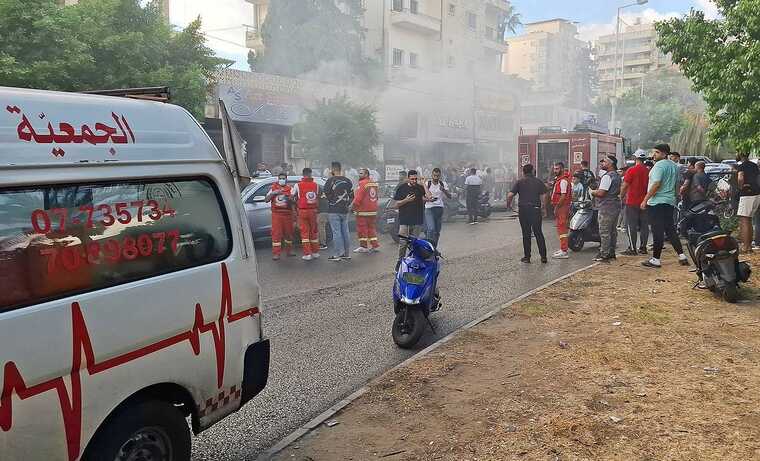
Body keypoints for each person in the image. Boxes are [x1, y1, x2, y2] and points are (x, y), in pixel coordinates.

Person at [641, 144, 689, 268]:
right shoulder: (674, 166)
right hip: (669, 201)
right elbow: (677, 184)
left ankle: (656, 259)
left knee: (657, 230)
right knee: (670, 229)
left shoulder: (658, 166)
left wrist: (645, 200)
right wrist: (676, 196)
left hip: (657, 202)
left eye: (656, 152)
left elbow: (656, 184)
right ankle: (682, 255)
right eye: (653, 152)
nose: (653, 155)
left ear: (664, 154)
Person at [507, 164, 548, 264]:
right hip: (535, 209)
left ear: (523, 172)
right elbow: (544, 195)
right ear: (533, 171)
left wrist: (509, 205)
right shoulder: (538, 182)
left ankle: (527, 257)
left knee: (526, 234)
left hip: (524, 210)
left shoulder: (519, 182)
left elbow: (510, 195)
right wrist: (543, 207)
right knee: (538, 233)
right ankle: (543, 257)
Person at [591, 156, 622, 263]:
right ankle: (611, 253)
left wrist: (592, 192)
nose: (602, 163)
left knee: (604, 231)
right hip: (615, 205)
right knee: (613, 231)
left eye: (604, 161)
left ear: (611, 163)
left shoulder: (607, 177)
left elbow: (601, 193)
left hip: (606, 207)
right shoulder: (617, 176)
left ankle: (604, 254)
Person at [393, 170, 429, 260]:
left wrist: (424, 184)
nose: (414, 181)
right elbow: (395, 204)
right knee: (403, 242)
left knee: (415, 243)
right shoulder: (402, 188)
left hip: (417, 220)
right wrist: (406, 200)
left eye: (416, 179)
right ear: (408, 179)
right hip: (405, 220)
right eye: (412, 179)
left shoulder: (420, 187)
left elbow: (429, 197)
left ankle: (413, 261)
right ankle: (400, 261)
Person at [620, 150, 650, 255]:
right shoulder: (648, 171)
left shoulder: (631, 170)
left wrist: (621, 196)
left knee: (631, 225)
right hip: (645, 202)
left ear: (635, 158)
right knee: (644, 225)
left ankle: (633, 248)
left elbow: (625, 185)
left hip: (632, 201)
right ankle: (643, 247)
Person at [323, 161, 354, 261]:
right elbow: (351, 195)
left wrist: (333, 200)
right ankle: (347, 254)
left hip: (334, 210)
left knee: (336, 232)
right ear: (341, 169)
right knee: (345, 231)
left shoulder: (330, 181)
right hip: (344, 210)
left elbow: (326, 194)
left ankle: (337, 254)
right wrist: (347, 204)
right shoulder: (348, 181)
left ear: (332, 169)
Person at [291, 168, 321, 260]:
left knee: (304, 233)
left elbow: (292, 196)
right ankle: (315, 252)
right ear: (311, 174)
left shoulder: (297, 185)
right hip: (313, 211)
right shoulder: (316, 185)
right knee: (313, 232)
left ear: (303, 174)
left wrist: (296, 203)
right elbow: (318, 197)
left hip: (303, 211)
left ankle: (307, 254)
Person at [266, 173, 295, 260]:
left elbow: (295, 201)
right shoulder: (273, 188)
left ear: (286, 179)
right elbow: (266, 199)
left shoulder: (291, 189)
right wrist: (273, 193)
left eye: (283, 178)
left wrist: (291, 199)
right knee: (276, 234)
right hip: (277, 214)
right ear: (278, 179)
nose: (281, 180)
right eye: (280, 178)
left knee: (289, 234)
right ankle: (276, 253)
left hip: (288, 215)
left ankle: (289, 251)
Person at [351, 167, 380, 253]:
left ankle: (363, 246)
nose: (359, 175)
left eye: (361, 173)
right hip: (373, 210)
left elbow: (358, 198)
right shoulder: (374, 183)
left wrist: (353, 207)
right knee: (371, 228)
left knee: (362, 229)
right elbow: (376, 197)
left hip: (363, 211)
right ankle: (375, 245)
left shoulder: (362, 183)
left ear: (366, 174)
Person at [736, 152, 760, 253]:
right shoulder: (754, 165)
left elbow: (740, 177)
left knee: (744, 220)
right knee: (749, 220)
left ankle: (745, 247)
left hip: (747, 194)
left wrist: (741, 187)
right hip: (757, 193)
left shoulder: (742, 166)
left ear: (740, 154)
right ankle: (749, 246)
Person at [424, 167, 451, 248]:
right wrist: (428, 199)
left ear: (440, 176)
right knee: (431, 229)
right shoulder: (427, 184)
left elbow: (449, 196)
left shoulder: (443, 184)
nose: (436, 177)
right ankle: (428, 247)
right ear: (432, 175)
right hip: (429, 208)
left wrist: (444, 190)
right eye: (434, 175)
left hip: (439, 208)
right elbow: (422, 197)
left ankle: (434, 248)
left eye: (437, 176)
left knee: (437, 232)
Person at [550, 162, 571, 259]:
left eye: (557, 169)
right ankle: (563, 249)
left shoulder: (563, 181)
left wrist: (557, 207)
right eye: (554, 169)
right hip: (561, 207)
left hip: (562, 207)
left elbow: (563, 196)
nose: (555, 171)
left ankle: (564, 250)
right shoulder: (560, 180)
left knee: (562, 229)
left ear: (562, 169)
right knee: (560, 229)